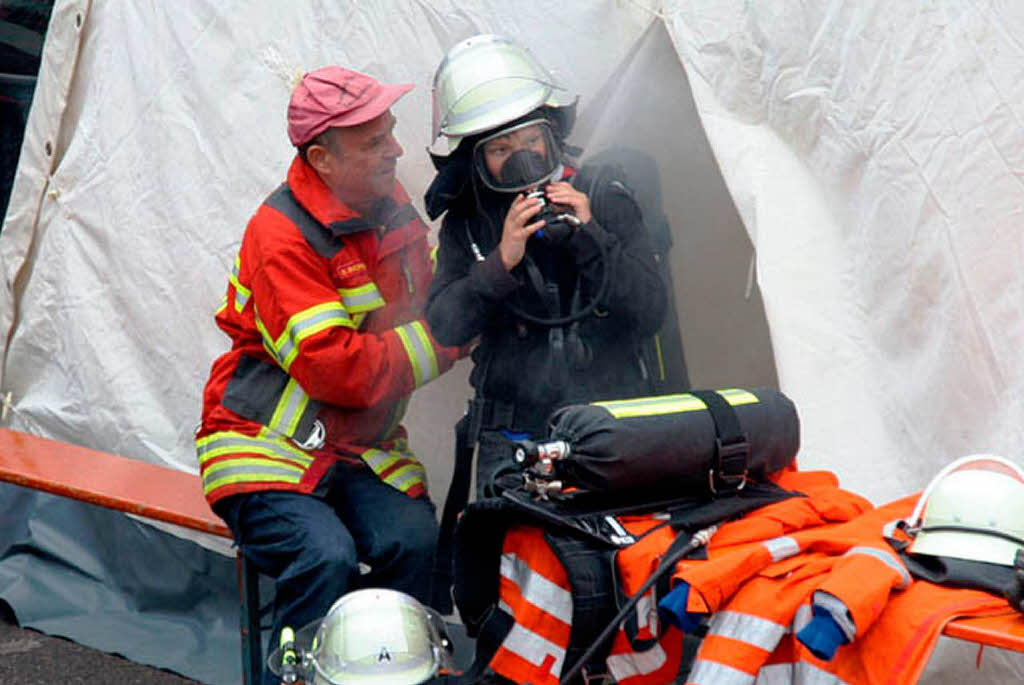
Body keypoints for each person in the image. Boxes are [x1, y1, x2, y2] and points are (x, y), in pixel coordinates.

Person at [194, 66, 460, 685]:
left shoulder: (390, 209)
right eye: (375, 142)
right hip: (261, 446)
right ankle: (298, 676)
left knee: (416, 544)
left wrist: (483, 275)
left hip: (358, 449)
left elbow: (426, 295)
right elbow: (338, 371)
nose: (396, 150)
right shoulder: (280, 236)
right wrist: (451, 335)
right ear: (322, 158)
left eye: (389, 133)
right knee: (324, 557)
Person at [424, 34, 668, 496]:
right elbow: (444, 326)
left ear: (552, 136)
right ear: (477, 161)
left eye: (532, 139)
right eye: (501, 149)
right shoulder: (469, 225)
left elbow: (651, 311)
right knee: (513, 561)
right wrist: (500, 263)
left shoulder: (604, 195)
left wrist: (591, 236)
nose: (522, 156)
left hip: (612, 422)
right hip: (513, 435)